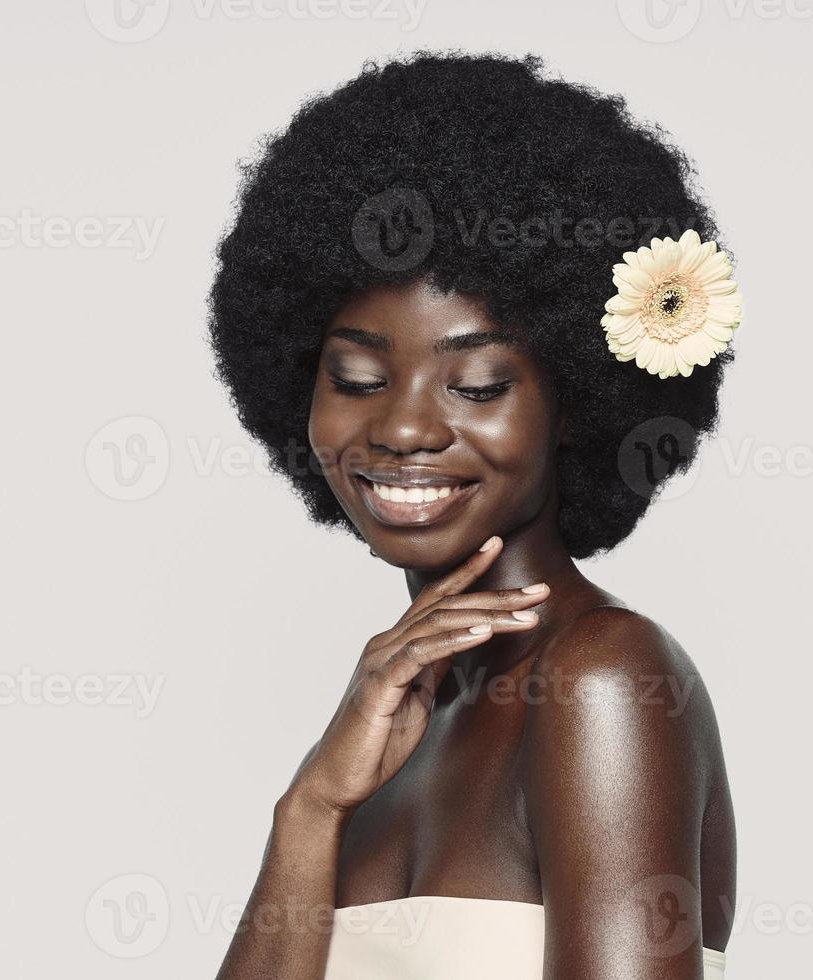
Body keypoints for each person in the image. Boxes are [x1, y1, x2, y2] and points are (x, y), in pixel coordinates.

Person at [208, 51, 742, 980]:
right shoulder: (392, 724)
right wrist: (310, 810)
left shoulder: (602, 679)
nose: (405, 425)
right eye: (357, 379)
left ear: (578, 399)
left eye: (478, 384)